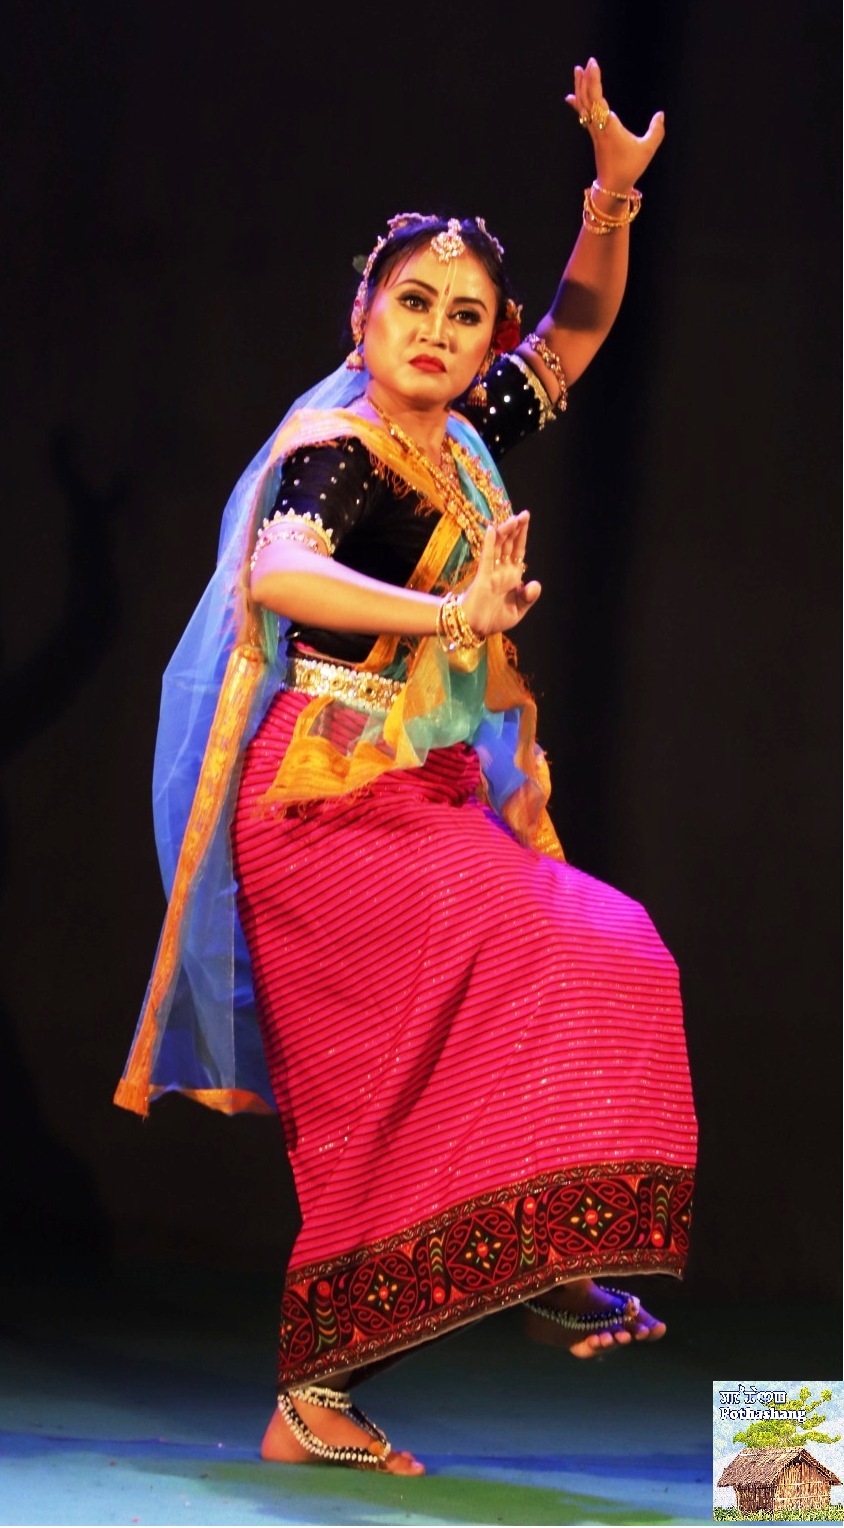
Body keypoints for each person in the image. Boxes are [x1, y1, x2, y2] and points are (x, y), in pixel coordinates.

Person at [116, 58, 698, 1477]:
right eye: (413, 303)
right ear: (362, 320)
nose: (440, 330)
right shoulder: (342, 455)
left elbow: (579, 329)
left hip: (417, 799)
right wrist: (450, 616)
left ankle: (529, 1263)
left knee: (603, 949)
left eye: (465, 313)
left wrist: (611, 198)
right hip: (319, 804)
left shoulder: (468, 438)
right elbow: (280, 572)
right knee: (400, 1069)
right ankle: (335, 1380)